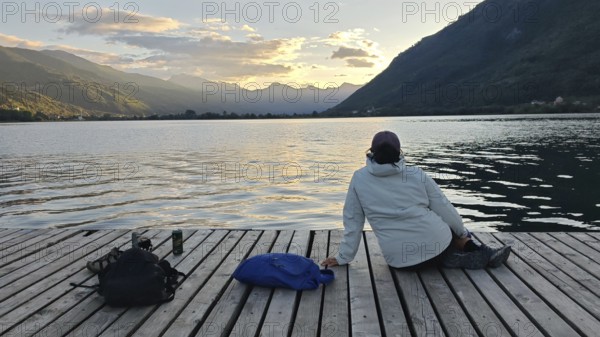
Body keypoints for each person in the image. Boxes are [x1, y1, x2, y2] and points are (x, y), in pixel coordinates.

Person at [321, 131, 511, 270]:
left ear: (371, 152)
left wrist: (343, 257)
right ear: (399, 153)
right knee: (450, 227)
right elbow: (444, 209)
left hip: (399, 260)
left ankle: (455, 256)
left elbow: (353, 222)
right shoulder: (416, 174)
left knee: (438, 234)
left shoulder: (359, 178)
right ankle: (475, 251)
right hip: (438, 246)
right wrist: (462, 233)